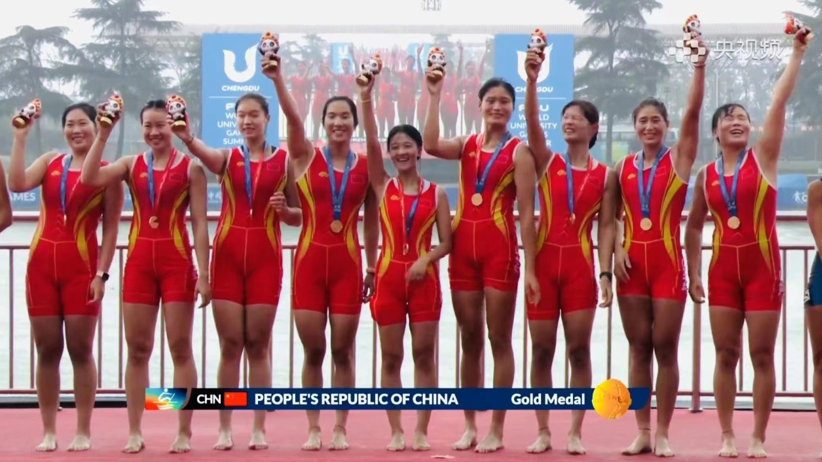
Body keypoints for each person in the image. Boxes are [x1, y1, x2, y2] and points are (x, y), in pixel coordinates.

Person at [685, 27, 809, 459]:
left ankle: (757, 436)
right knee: (725, 354)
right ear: (716, 132)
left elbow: (779, 103)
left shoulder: (764, 158)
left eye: (742, 117)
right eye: (728, 118)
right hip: (722, 274)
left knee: (761, 354)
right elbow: (694, 227)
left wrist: (796, 55)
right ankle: (726, 435)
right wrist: (694, 273)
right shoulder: (706, 176)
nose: (737, 121)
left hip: (763, 271)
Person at [170, 91, 302, 449]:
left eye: (254, 114)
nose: (247, 121)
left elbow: (299, 216)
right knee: (230, 345)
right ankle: (225, 427)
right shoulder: (228, 158)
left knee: (258, 346)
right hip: (227, 260)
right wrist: (187, 137)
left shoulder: (285, 161)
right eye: (242, 115)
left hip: (265, 260)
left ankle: (258, 427)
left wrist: (285, 211)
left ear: (267, 119)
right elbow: (206, 155)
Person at [80, 99, 211, 454]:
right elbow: (89, 178)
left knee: (180, 349)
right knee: (138, 349)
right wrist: (103, 134)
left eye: (161, 125)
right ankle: (135, 431)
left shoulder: (192, 169)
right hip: (139, 265)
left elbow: (200, 224)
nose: (154, 132)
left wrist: (205, 273)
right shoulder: (130, 165)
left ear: (173, 126)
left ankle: (183, 430)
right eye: (148, 126)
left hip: (177, 264)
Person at [423, 72, 539, 452]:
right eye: (491, 101)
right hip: (463, 253)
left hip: (499, 252)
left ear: (512, 109)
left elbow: (527, 215)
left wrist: (531, 269)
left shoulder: (520, 153)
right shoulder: (466, 145)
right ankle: (470, 424)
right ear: (480, 106)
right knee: (469, 339)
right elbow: (429, 144)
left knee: (498, 339)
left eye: (504, 101)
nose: (497, 107)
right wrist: (434, 95)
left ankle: (497, 428)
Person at [272, 52, 380, 451]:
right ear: (323, 123)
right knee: (314, 350)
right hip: (309, 265)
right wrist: (277, 78)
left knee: (342, 351)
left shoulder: (367, 166)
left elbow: (371, 220)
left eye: (345, 117)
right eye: (331, 116)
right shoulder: (305, 157)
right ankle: (314, 426)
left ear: (353, 123)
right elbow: (292, 118)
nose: (338, 122)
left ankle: (340, 427)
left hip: (349, 266)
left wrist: (373, 266)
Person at [8, 103, 123, 452]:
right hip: (41, 268)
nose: (76, 130)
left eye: (83, 123)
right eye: (70, 124)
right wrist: (20, 137)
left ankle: (83, 430)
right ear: (63, 130)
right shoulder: (50, 162)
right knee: (47, 350)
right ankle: (48, 431)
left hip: (81, 270)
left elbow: (111, 229)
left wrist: (102, 274)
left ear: (96, 127)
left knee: (80, 350)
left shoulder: (107, 173)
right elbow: (17, 184)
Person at [613, 38, 708, 457]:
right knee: (637, 349)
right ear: (634, 127)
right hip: (631, 268)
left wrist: (698, 68)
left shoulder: (680, 159)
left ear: (666, 126)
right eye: (642, 121)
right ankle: (642, 430)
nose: (649, 127)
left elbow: (694, 114)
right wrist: (616, 250)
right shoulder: (622, 168)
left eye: (656, 121)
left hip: (668, 265)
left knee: (665, 348)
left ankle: (664, 431)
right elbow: (611, 218)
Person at [521, 49, 615, 455]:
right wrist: (531, 81)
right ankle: (543, 429)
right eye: (564, 117)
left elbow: (608, 225)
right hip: (543, 267)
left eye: (576, 117)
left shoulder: (605, 175)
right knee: (542, 350)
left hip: (579, 268)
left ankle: (575, 429)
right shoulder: (546, 162)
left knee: (579, 351)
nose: (568, 122)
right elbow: (531, 124)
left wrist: (605, 273)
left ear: (593, 128)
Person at [360, 75, 453, 451]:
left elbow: (447, 242)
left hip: (424, 281)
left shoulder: (437, 193)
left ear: (419, 151)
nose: (401, 152)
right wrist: (365, 99)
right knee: (391, 357)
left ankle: (421, 430)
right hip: (388, 281)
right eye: (394, 147)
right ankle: (396, 430)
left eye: (407, 146)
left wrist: (425, 259)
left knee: (423, 357)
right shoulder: (383, 186)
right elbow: (370, 143)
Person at [460, 42, 489, 134]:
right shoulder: (464, 80)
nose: (470, 70)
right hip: (468, 106)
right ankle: (468, 143)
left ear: (475, 69)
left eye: (472, 68)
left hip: (477, 106)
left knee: (478, 129)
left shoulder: (478, 77)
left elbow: (482, 64)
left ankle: (478, 143)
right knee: (468, 129)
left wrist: (486, 50)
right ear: (467, 69)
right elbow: (457, 91)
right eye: (469, 69)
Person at [311, 62, 336, 142]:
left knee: (327, 123)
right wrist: (309, 69)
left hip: (325, 100)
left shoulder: (330, 78)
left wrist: (333, 103)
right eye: (320, 67)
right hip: (317, 100)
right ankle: (314, 143)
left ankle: (329, 142)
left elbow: (332, 91)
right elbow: (306, 81)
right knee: (316, 124)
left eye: (323, 67)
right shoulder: (315, 78)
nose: (321, 68)